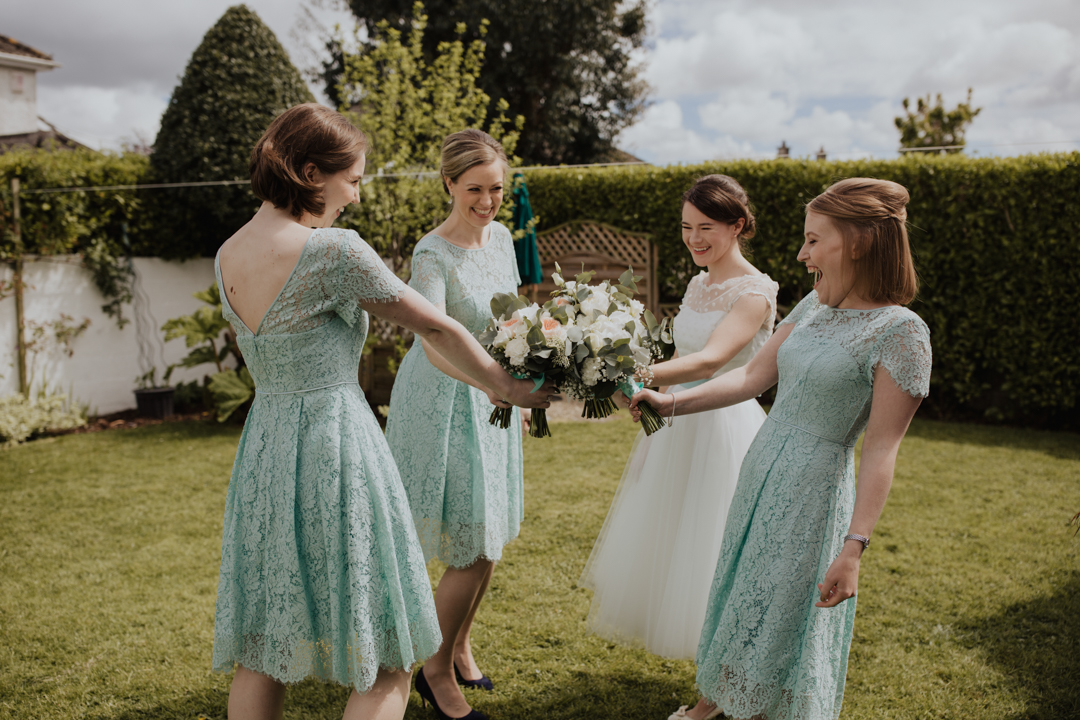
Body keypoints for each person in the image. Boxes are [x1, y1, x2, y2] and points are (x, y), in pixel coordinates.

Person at [212, 105, 549, 720]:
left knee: (263, 648)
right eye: (356, 179)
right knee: (390, 656)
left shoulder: (227, 253)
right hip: (338, 446)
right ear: (312, 172)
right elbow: (436, 325)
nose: (358, 195)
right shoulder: (333, 250)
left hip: (263, 451)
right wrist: (509, 386)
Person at [630, 178, 932, 720]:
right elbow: (749, 376)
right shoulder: (812, 307)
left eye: (814, 240)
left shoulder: (901, 332)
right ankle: (715, 702)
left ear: (858, 242)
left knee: (783, 612)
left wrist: (854, 547)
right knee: (740, 589)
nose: (802, 253)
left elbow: (883, 449)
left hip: (814, 488)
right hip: (761, 466)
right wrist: (669, 403)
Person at [578, 175, 778, 659]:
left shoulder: (755, 292)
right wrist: (653, 400)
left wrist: (637, 373)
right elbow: (681, 349)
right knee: (670, 536)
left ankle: (731, 659)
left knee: (712, 543)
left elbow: (712, 359)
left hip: (724, 425)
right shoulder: (697, 281)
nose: (693, 239)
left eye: (706, 227)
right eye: (687, 227)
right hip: (674, 420)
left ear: (738, 226)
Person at [385, 129, 525, 720]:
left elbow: (517, 318)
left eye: (497, 189)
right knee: (471, 544)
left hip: (496, 400)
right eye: (474, 189)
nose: (488, 201)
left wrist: (518, 382)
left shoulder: (504, 240)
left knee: (489, 539)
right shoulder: (431, 252)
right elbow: (432, 341)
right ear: (448, 183)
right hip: (442, 400)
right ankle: (434, 671)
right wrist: (491, 382)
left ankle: (459, 645)